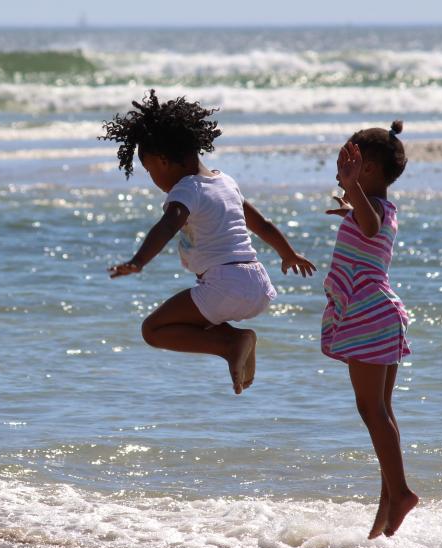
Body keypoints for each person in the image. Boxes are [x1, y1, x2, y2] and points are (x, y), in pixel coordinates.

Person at [101, 90, 315, 394]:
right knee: (195, 319)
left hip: (225, 284)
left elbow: (167, 225)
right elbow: (262, 225)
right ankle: (235, 340)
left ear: (163, 161)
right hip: (258, 284)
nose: (152, 178)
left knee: (153, 329)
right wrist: (288, 254)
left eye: (149, 170)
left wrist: (138, 261)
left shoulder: (187, 189)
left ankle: (232, 343)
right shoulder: (225, 182)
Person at [323, 120, 418, 538]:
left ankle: (401, 493)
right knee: (382, 411)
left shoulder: (374, 210)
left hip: (368, 314)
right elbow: (368, 224)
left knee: (371, 410)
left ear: (370, 169)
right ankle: (387, 504)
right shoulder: (379, 205)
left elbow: (370, 226)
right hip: (380, 314)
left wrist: (353, 194)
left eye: (349, 165)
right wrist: (351, 202)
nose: (341, 172)